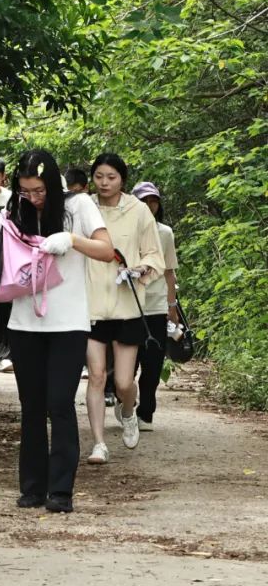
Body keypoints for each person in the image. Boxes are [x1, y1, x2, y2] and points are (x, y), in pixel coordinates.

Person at [0, 151, 113, 513]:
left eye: (39, 190)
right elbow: (3, 259)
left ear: (52, 183)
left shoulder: (79, 204)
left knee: (59, 404)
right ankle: (32, 487)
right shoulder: (16, 206)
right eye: (26, 191)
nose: (34, 198)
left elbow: (106, 250)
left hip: (68, 323)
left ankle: (61, 491)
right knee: (31, 406)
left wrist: (71, 240)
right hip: (25, 323)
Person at [84, 153, 164, 465]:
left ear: (123, 180)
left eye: (111, 177)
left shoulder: (138, 210)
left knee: (124, 383)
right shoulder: (83, 207)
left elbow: (154, 255)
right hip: (90, 304)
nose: (104, 183)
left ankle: (128, 411)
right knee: (96, 376)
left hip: (127, 305)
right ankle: (99, 444)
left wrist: (140, 268)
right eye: (99, 176)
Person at [130, 181, 179, 431]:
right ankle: (126, 401)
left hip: (156, 306)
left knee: (153, 363)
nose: (149, 206)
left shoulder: (165, 233)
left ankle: (146, 413)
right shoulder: (124, 231)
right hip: (127, 306)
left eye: (153, 201)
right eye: (144, 201)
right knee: (126, 367)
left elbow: (169, 271)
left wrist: (172, 306)